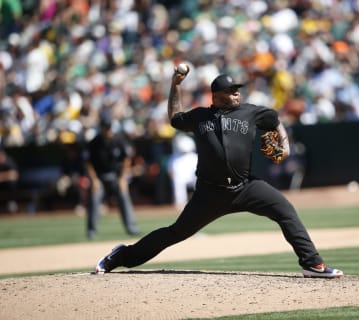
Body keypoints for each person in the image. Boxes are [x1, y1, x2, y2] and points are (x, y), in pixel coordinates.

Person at [94, 66, 343, 278]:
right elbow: (175, 118)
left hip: (246, 187)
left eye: (237, 89)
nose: (236, 93)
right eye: (231, 90)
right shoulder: (201, 116)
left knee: (285, 211)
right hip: (209, 193)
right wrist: (175, 85)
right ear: (216, 95)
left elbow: (275, 119)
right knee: (176, 233)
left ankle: (312, 263)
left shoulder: (250, 112)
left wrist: (285, 146)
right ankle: (120, 256)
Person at [83, 113, 140, 239]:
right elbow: (88, 162)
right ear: (102, 128)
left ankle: (131, 227)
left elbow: (127, 159)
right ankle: (91, 230)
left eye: (109, 127)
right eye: (106, 127)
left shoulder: (118, 140)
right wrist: (94, 180)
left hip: (116, 177)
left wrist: (123, 179)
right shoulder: (94, 142)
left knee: (124, 197)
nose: (108, 130)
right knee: (95, 198)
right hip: (100, 178)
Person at [167, 133, 198, 209]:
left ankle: (201, 201)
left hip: (194, 178)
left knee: (200, 180)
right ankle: (180, 204)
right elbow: (170, 171)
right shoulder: (175, 156)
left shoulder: (194, 156)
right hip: (181, 179)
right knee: (177, 181)